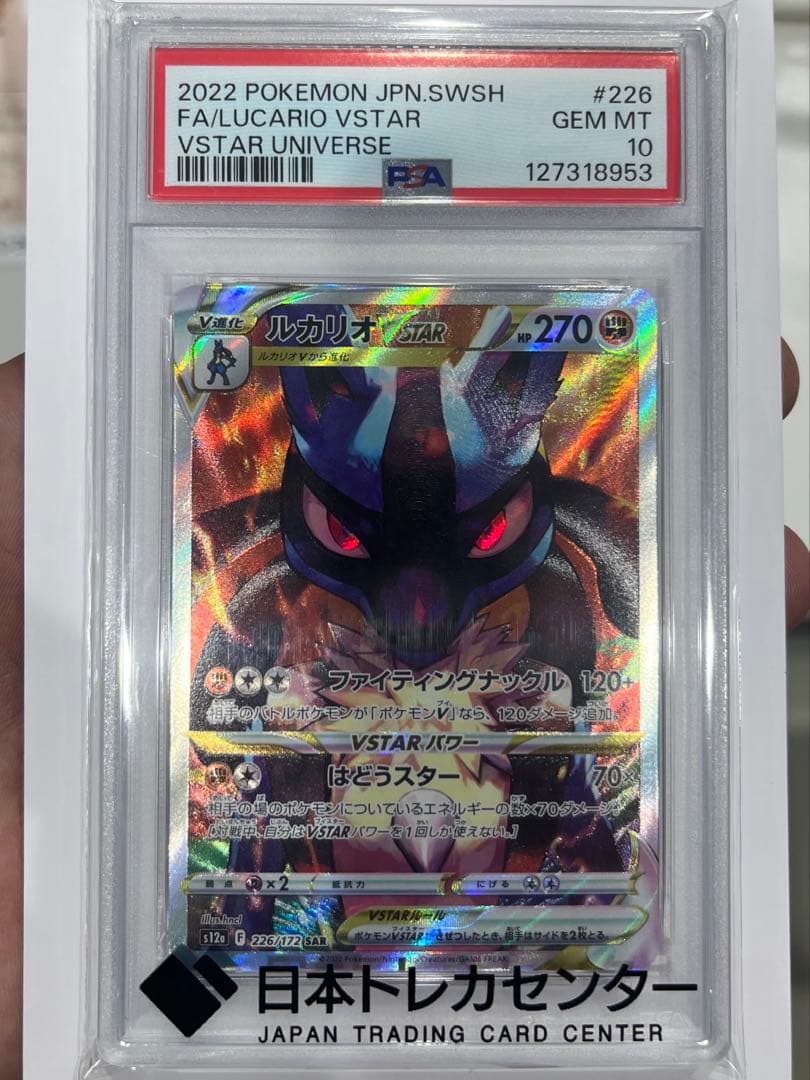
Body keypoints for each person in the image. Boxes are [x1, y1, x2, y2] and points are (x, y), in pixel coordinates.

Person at [0, 347, 806, 1079]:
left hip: (515, 979)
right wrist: (156, 1024)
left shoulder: (542, 689)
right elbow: (232, 915)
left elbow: (613, 891)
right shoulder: (295, 706)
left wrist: (647, 994)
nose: (419, 613)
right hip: (318, 970)